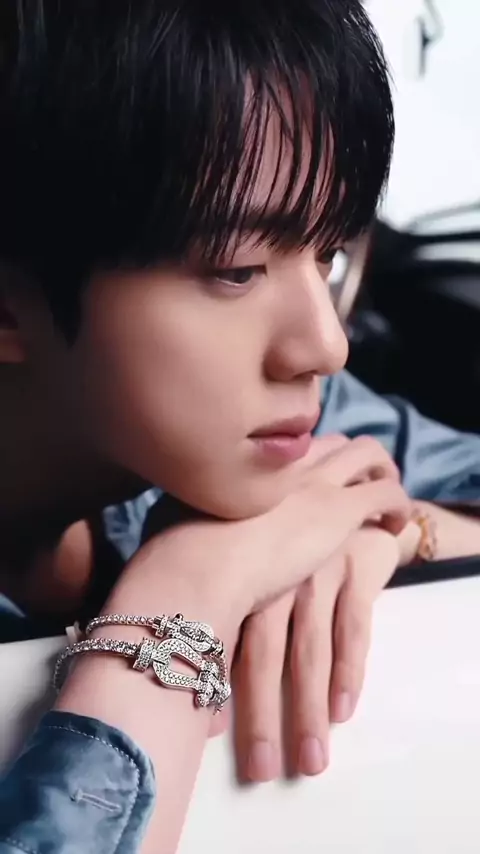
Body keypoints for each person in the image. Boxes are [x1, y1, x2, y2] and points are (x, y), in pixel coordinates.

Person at [0, 1, 479, 853]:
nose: (325, 345)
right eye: (236, 269)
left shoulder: (278, 427)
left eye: (327, 255)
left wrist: (398, 530)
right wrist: (188, 594)